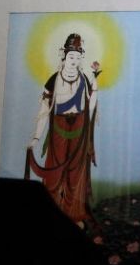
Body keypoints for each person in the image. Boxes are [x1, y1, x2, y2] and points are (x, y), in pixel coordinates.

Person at [26, 33, 99, 228]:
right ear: (64, 56)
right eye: (71, 56)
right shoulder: (53, 81)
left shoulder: (84, 80)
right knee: (55, 171)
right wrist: (36, 137)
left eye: (78, 57)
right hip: (58, 128)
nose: (74, 61)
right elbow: (43, 111)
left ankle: (74, 215)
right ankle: (51, 213)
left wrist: (95, 86)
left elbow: (90, 108)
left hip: (79, 129)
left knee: (75, 171)